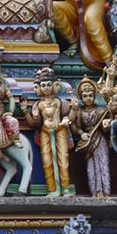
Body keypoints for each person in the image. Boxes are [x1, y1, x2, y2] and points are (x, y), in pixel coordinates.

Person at [20, 68, 75, 197]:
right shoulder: (38, 105)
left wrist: (73, 111)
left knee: (63, 158)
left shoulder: (60, 102)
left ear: (54, 85)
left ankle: (65, 189)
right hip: (45, 132)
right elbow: (35, 124)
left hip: (60, 130)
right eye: (43, 85)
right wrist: (25, 112)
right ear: (38, 87)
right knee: (47, 160)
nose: (46, 88)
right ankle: (52, 190)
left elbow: (69, 116)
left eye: (49, 85)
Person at [72, 77, 111, 197]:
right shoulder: (79, 111)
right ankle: (95, 191)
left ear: (94, 96)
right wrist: (81, 133)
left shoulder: (101, 111)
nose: (88, 98)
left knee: (103, 164)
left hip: (99, 139)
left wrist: (106, 125)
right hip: (88, 140)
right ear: (81, 97)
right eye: (85, 96)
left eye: (90, 95)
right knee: (91, 167)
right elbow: (76, 127)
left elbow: (106, 128)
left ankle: (105, 192)